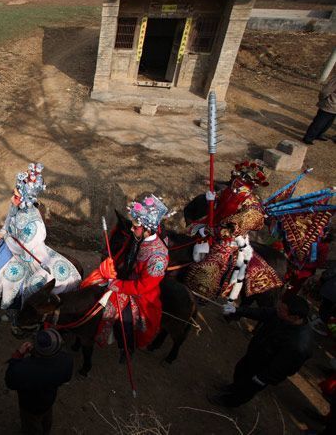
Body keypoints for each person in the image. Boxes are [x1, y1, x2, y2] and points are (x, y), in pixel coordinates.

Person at [0, 163, 81, 309]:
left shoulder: (35, 222)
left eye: (16, 196)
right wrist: (3, 232)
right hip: (12, 243)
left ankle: (17, 308)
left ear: (25, 199)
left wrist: (8, 238)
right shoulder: (16, 206)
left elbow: (27, 246)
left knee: (11, 280)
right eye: (14, 195)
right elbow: (9, 220)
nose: (13, 199)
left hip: (28, 257)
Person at [185, 161, 282, 303]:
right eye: (241, 174)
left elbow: (234, 228)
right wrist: (212, 199)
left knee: (211, 265)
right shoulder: (231, 190)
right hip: (210, 224)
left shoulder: (252, 205)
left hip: (228, 238)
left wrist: (213, 231)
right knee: (188, 232)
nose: (240, 177)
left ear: (252, 182)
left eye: (245, 176)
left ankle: (201, 295)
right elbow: (220, 200)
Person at [95, 195, 169, 360]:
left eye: (135, 227)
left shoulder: (158, 258)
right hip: (129, 279)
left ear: (147, 230)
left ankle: (127, 346)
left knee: (125, 318)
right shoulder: (139, 239)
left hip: (142, 294)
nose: (131, 229)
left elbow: (143, 286)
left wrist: (117, 284)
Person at [209, 294, 314, 407]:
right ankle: (233, 387)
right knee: (240, 372)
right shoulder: (281, 314)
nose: (277, 310)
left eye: (281, 310)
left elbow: (285, 368)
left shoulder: (298, 344)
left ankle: (229, 401)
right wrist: (237, 310)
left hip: (264, 369)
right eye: (278, 307)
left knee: (247, 389)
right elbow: (263, 313)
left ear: (295, 317)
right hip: (256, 355)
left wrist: (263, 378)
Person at [5, 328, 73, 434]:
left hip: (29, 405)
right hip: (48, 400)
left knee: (31, 426)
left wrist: (18, 354)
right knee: (46, 419)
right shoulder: (66, 360)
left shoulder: (24, 369)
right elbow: (66, 378)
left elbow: (10, 382)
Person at [302, 73, 336, 145]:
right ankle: (308, 138)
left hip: (334, 108)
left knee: (328, 123)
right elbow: (325, 91)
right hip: (329, 105)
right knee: (319, 123)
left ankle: (318, 135)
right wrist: (324, 100)